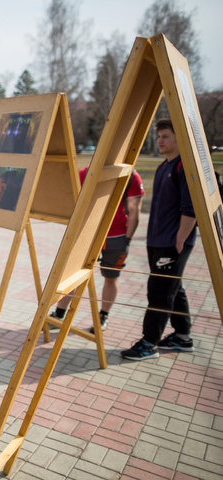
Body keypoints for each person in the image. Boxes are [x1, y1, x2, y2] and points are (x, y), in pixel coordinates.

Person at [121, 118, 197, 360]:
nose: (160, 140)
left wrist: (180, 240)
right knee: (174, 288)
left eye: (166, 136)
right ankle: (183, 337)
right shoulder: (164, 166)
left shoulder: (184, 167)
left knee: (159, 292)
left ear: (179, 139)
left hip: (172, 243)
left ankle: (148, 343)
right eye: (159, 136)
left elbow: (191, 208)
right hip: (156, 241)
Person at [48, 166, 144, 332]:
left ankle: (103, 316)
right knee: (73, 274)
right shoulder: (86, 172)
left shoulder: (132, 175)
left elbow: (135, 209)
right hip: (88, 234)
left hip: (117, 236)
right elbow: (73, 201)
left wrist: (126, 239)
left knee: (111, 276)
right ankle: (59, 313)